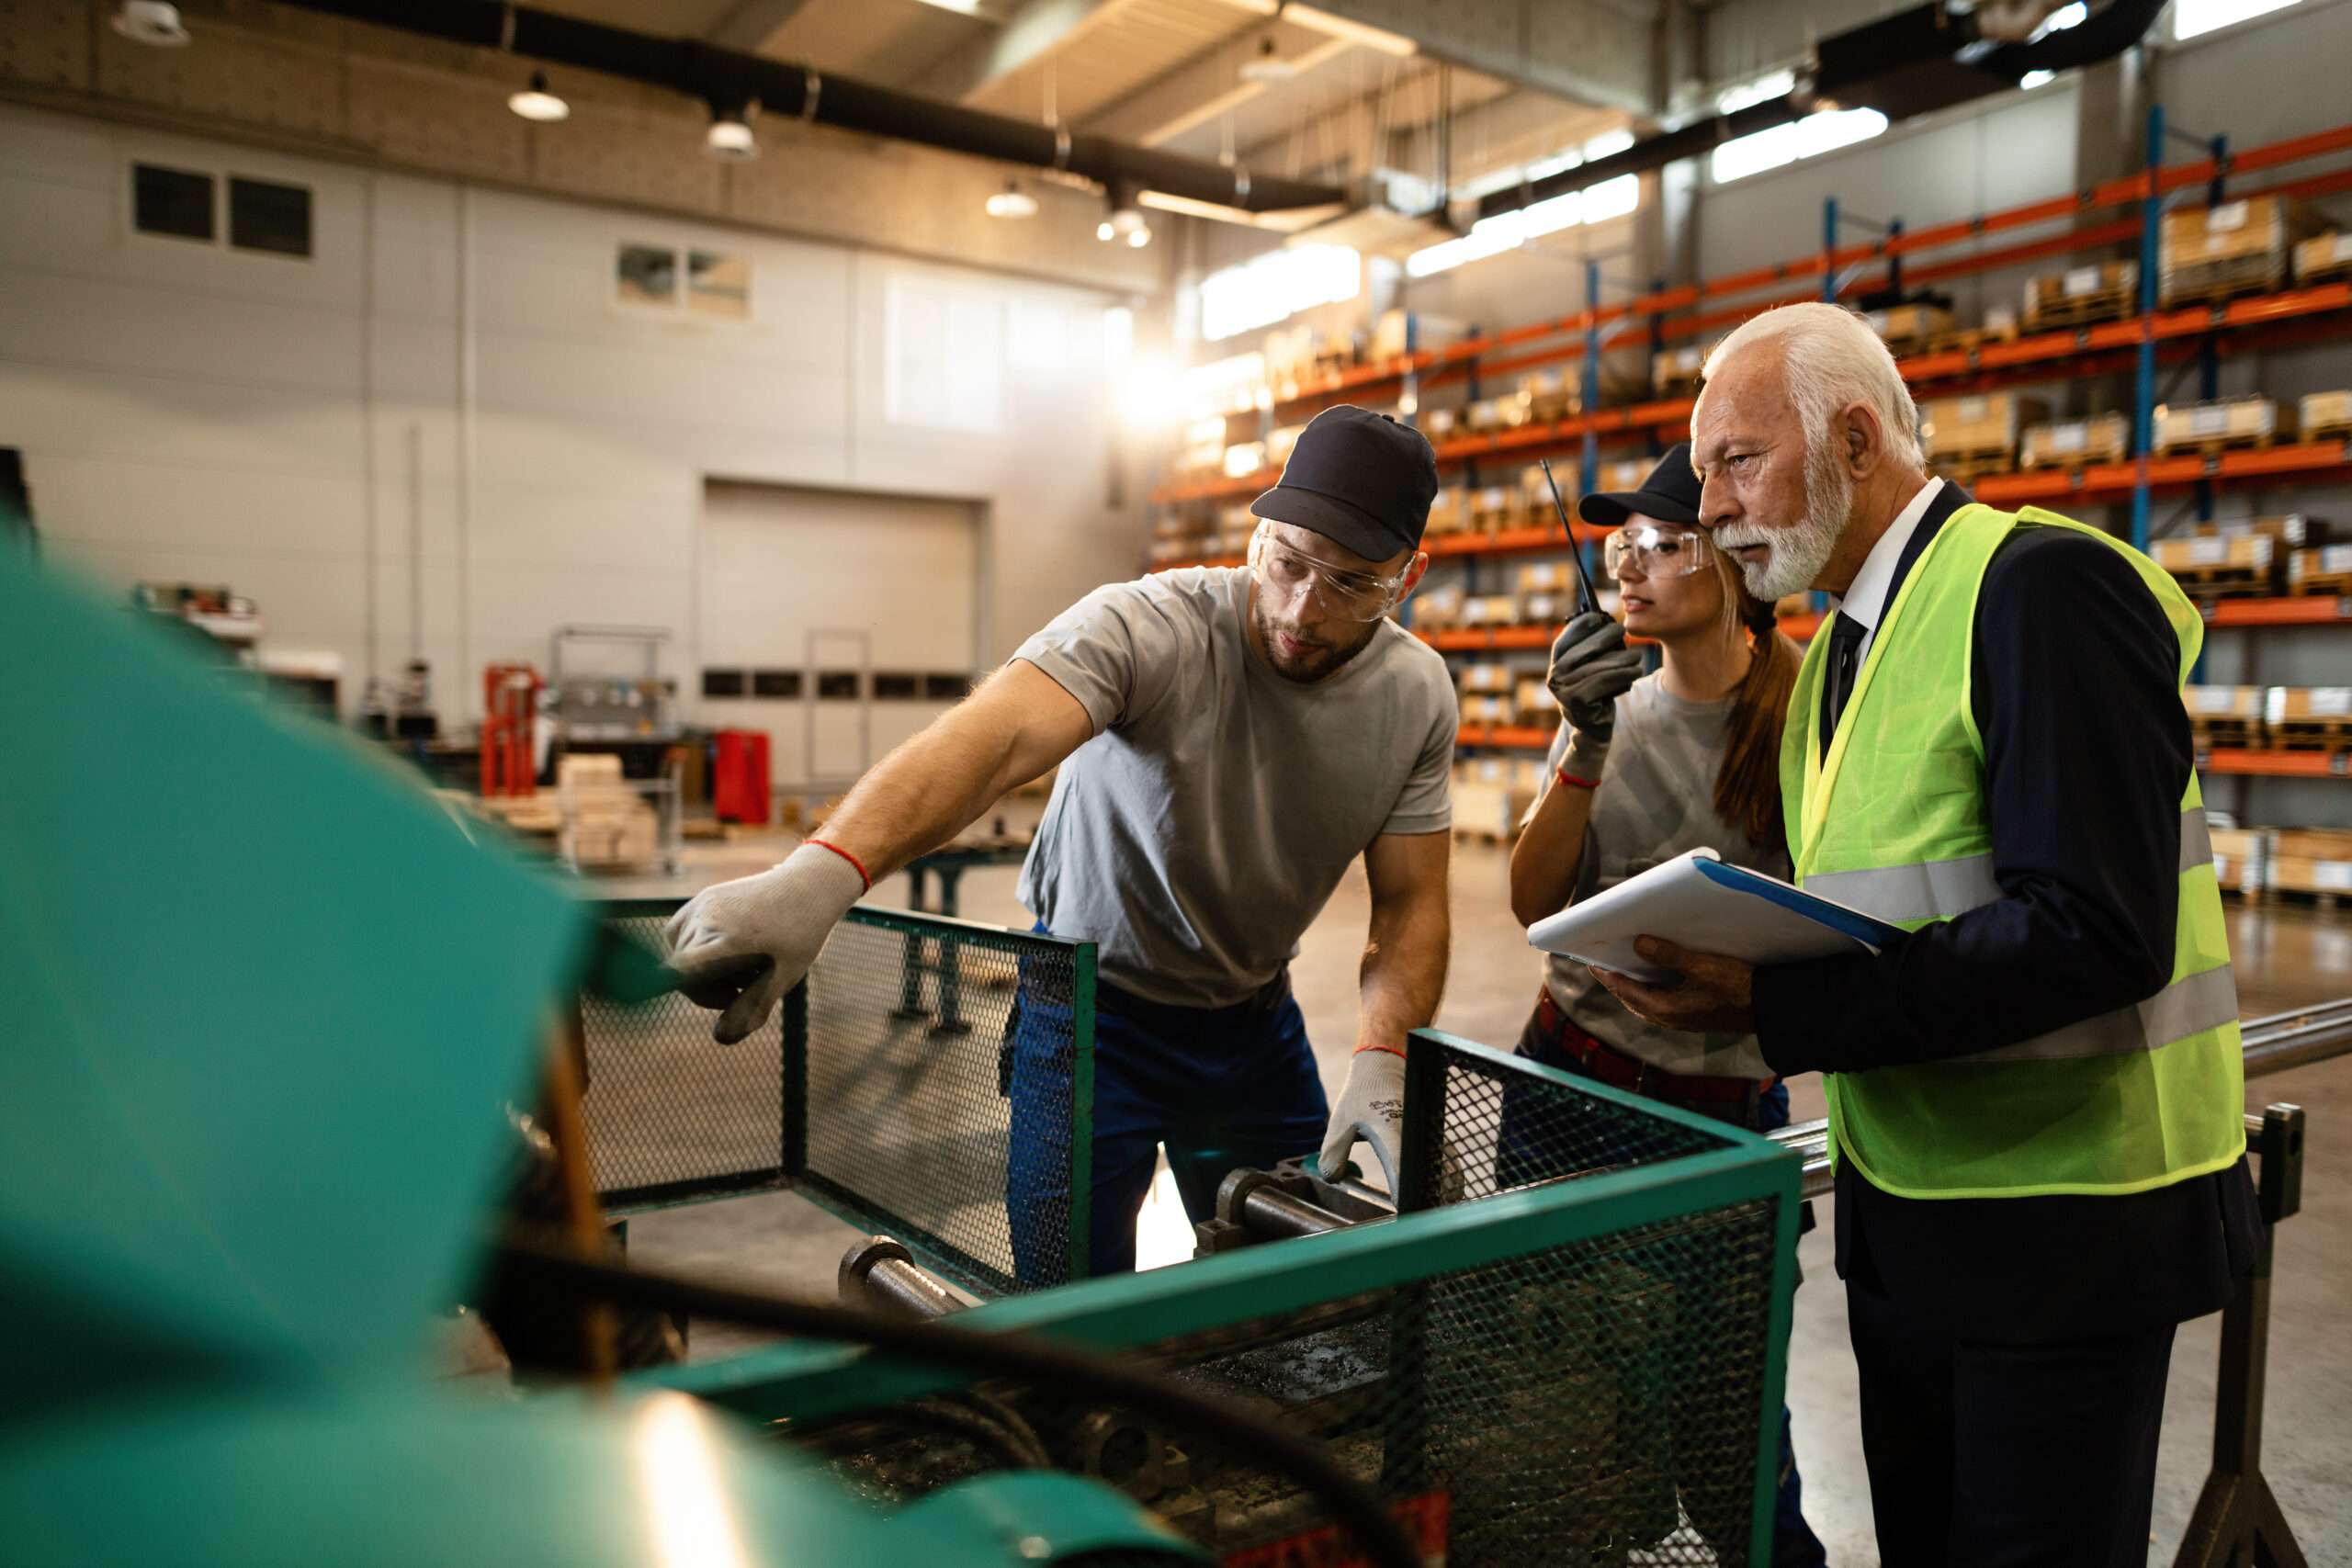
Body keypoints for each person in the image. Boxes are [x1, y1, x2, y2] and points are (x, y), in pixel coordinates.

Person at [1597, 301, 2261, 1568]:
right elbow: (1894, 898)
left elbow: (2096, 929)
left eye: (1738, 459)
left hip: (2069, 1218)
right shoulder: (1846, 640)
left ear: (1856, 438)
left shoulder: (2039, 587)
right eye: (1706, 470)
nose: (1711, 502)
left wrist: (1774, 1006)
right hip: (1913, 1207)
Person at [666, 404, 1457, 1277]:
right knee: (1067, 1299)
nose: (1304, 607)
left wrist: (1384, 1055)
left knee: (1295, 1294)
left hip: (1249, 1026)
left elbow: (1413, 898)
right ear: (1257, 532)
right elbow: (997, 734)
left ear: (1408, 579)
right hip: (1087, 1013)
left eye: (1350, 584)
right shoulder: (1152, 625)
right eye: (1289, 561)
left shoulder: (1415, 696)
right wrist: (822, 873)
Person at [1502, 445, 1826, 1567]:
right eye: (1619, 548)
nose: (1630, 569)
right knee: (1548, 1422)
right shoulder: (1611, 707)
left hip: (1714, 1120)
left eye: (1660, 545)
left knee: (1734, 1448)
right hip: (1566, 1084)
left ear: (1735, 562)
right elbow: (1532, 899)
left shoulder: (1801, 721)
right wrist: (1582, 743)